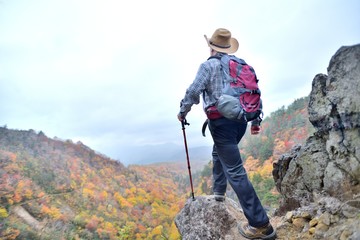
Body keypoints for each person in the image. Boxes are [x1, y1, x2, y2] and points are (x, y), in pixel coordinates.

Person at [177, 28, 276, 239]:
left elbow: (194, 91)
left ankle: (261, 225)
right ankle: (219, 193)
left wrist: (182, 111)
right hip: (240, 122)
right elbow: (253, 93)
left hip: (221, 123)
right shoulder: (240, 66)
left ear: (211, 47)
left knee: (236, 171)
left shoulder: (208, 65)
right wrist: (255, 121)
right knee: (219, 152)